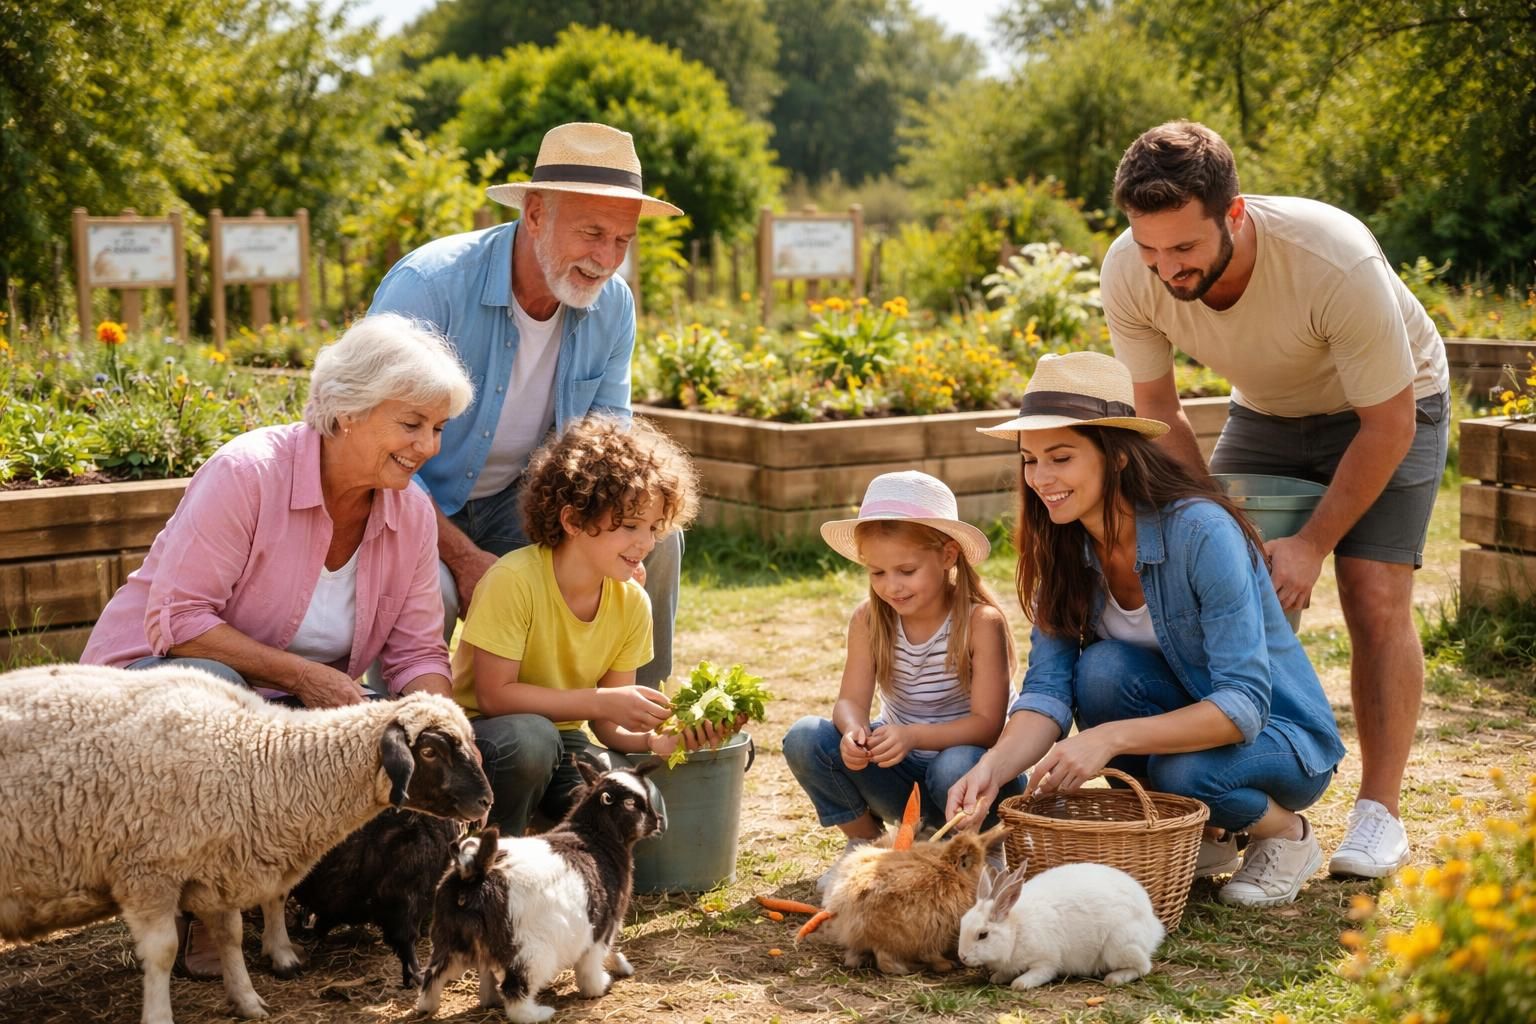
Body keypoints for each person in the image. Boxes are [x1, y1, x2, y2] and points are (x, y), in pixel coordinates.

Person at [1099, 121, 1449, 878]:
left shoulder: (1333, 258)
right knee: (1216, 579)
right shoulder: (1130, 269)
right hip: (1266, 411)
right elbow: (1160, 410)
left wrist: (1311, 544)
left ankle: (1378, 814)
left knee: (1373, 591)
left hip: (1394, 405)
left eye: (1183, 248)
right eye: (1149, 246)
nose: (1164, 267)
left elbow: (1387, 423)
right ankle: (1232, 806)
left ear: (1234, 213)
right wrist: (1224, 526)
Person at [81, 312, 474, 974]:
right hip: (155, 698)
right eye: (411, 425)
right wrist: (302, 678)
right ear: (347, 411)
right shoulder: (247, 473)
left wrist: (434, 727)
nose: (428, 446)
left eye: (437, 429)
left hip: (288, 712)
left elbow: (417, 655)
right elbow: (179, 621)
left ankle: (293, 896)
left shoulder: (406, 511)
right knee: (217, 698)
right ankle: (202, 911)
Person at [946, 352, 1346, 908]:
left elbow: (1244, 705)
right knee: (1101, 672)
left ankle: (1285, 834)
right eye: (1031, 460)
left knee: (1184, 768)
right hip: (1187, 732)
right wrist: (992, 768)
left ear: (1117, 458)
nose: (1041, 478)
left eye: (1061, 457)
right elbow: (1047, 694)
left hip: (1280, 737)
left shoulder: (1201, 532)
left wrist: (1107, 738)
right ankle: (1202, 831)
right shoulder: (1062, 547)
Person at [367, 121, 686, 692]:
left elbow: (608, 445)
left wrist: (620, 536)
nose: (606, 259)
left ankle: (641, 722)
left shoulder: (613, 305)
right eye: (591, 233)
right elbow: (377, 451)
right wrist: (464, 560)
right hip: (409, 502)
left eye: (621, 240)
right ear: (535, 213)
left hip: (524, 506)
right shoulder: (430, 285)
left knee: (656, 542)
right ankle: (408, 742)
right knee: (433, 588)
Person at [453, 414, 734, 836]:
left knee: (639, 809)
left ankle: (545, 835)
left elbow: (608, 728)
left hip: (563, 744)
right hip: (487, 738)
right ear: (572, 521)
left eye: (655, 528)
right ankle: (492, 853)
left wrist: (656, 742)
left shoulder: (631, 602)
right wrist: (602, 700)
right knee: (532, 741)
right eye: (629, 526)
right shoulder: (514, 580)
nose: (645, 543)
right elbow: (495, 697)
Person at [784, 471, 1018, 889]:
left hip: (972, 781)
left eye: (906, 570)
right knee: (805, 737)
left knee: (956, 762)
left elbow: (988, 726)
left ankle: (985, 848)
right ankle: (865, 845)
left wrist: (910, 736)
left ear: (948, 555)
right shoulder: (870, 619)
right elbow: (849, 701)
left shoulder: (981, 622)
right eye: (877, 573)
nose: (891, 586)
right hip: (904, 774)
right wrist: (854, 731)